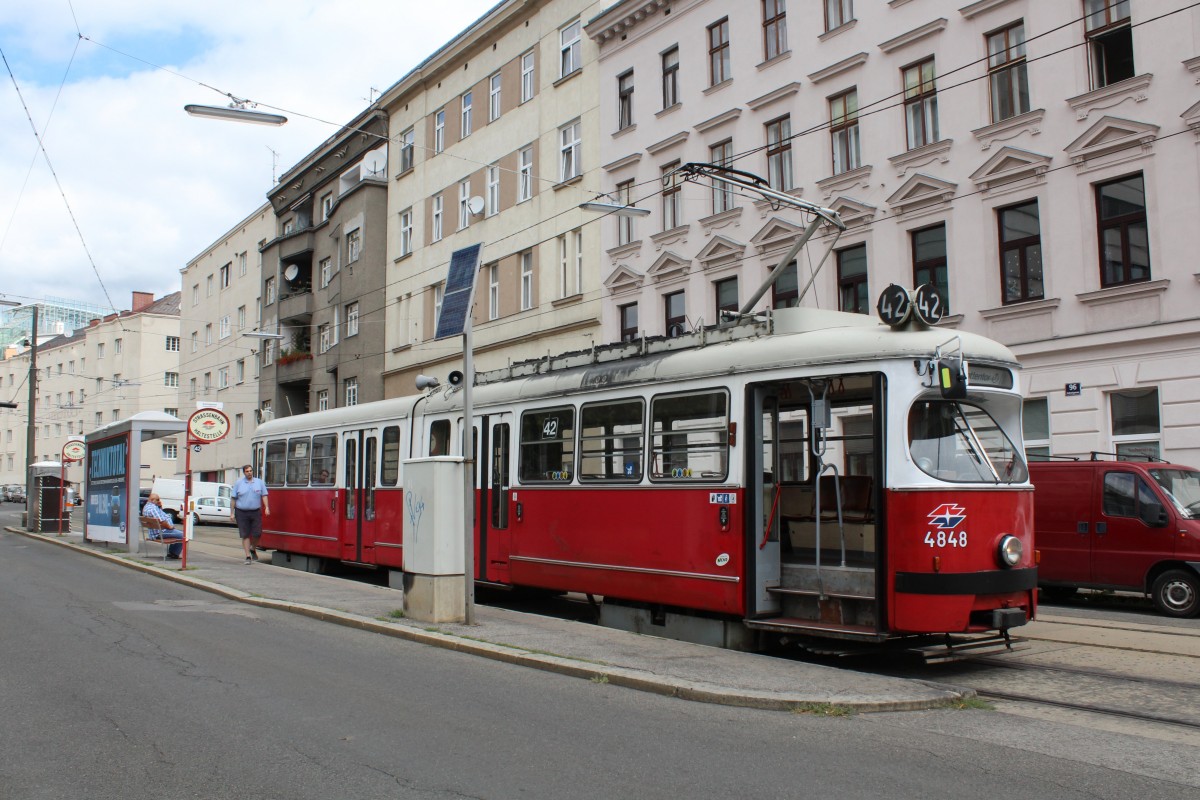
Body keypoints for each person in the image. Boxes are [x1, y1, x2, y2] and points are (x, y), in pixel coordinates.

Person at [230, 464, 270, 564]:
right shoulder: (239, 483)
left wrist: (267, 507)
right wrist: (232, 513)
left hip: (255, 511)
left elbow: (264, 495)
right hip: (241, 512)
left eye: (251, 471)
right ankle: (248, 556)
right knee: (245, 535)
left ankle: (253, 548)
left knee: (257, 533)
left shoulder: (259, 482)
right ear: (244, 473)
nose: (249, 473)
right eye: (247, 471)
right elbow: (233, 499)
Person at [141, 493, 184, 559]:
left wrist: (160, 507)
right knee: (183, 535)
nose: (159, 501)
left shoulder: (147, 507)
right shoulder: (153, 509)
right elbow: (161, 521)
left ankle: (173, 553)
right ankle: (174, 553)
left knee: (178, 534)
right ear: (152, 500)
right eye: (157, 500)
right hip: (161, 532)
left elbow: (160, 516)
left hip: (156, 532)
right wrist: (169, 527)